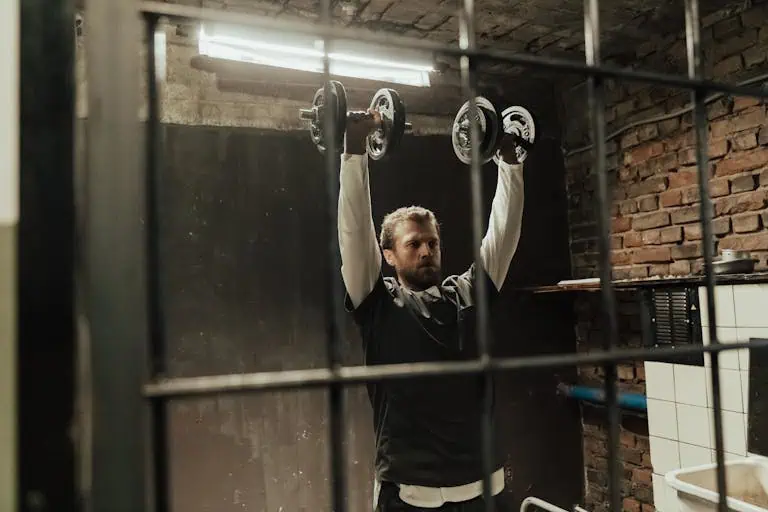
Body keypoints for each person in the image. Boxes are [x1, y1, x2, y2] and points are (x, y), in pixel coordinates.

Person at [338, 109, 525, 511]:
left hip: (484, 488)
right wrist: (354, 152)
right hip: (412, 494)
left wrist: (510, 162)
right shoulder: (378, 303)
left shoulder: (468, 293)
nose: (426, 251)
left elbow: (503, 233)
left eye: (432, 243)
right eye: (413, 244)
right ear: (388, 254)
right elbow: (354, 235)